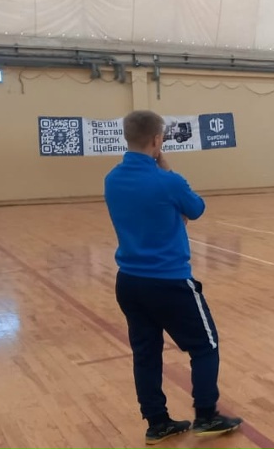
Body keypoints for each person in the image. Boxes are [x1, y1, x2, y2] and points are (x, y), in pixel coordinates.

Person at [104, 110, 242, 445]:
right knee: (205, 346)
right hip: (169, 281)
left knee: (146, 353)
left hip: (129, 282)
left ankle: (158, 423)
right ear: (157, 140)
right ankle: (206, 415)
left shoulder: (112, 179)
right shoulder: (169, 182)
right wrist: (167, 170)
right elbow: (196, 208)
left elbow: (148, 211)